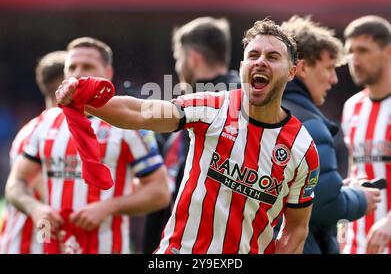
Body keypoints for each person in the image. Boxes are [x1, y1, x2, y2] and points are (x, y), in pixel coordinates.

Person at [56, 19, 320, 254]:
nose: (260, 61)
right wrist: (82, 100)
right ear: (242, 66)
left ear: (292, 71)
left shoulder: (302, 149)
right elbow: (141, 112)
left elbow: (295, 229)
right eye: (253, 55)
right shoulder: (211, 107)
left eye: (272, 57)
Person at [5, 37, 170, 254]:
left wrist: (108, 207)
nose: (78, 73)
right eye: (72, 67)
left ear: (108, 73)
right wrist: (36, 209)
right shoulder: (45, 123)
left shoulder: (128, 126)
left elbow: (160, 192)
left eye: (88, 66)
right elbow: (16, 183)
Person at [279, 16, 381, 254]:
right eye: (329, 68)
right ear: (303, 67)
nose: (334, 79)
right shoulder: (310, 125)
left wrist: (337, 187)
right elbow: (323, 203)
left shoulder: (252, 113)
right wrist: (359, 198)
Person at [143, 16, 241, 253]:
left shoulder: (194, 108)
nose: (178, 67)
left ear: (193, 58)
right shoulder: (248, 99)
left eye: (178, 58)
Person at [0, 51, 66, 253]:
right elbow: (44, 186)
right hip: (29, 245)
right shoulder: (40, 132)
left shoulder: (35, 129)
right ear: (65, 83)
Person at [341, 15, 391, 254]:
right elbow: (355, 169)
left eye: (363, 50)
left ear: (388, 51)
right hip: (356, 243)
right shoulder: (352, 106)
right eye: (350, 51)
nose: (354, 60)